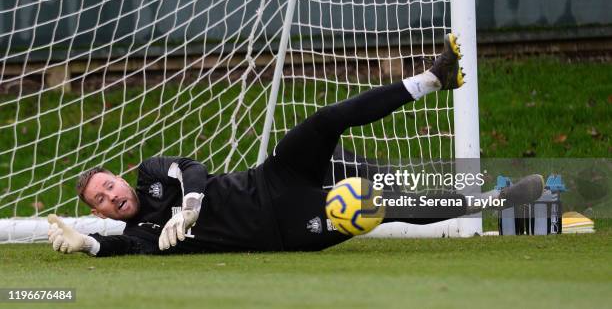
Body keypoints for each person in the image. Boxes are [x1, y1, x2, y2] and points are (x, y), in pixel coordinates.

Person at [47, 34, 544, 256]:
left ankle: (433, 79)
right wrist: (85, 243)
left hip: (274, 176)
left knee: (323, 122)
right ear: (106, 213)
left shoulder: (152, 176)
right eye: (102, 201)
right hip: (287, 229)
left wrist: (190, 206)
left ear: (118, 176)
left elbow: (189, 170)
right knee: (379, 206)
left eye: (109, 185)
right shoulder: (139, 237)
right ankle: (494, 201)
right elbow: (114, 249)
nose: (112, 196)